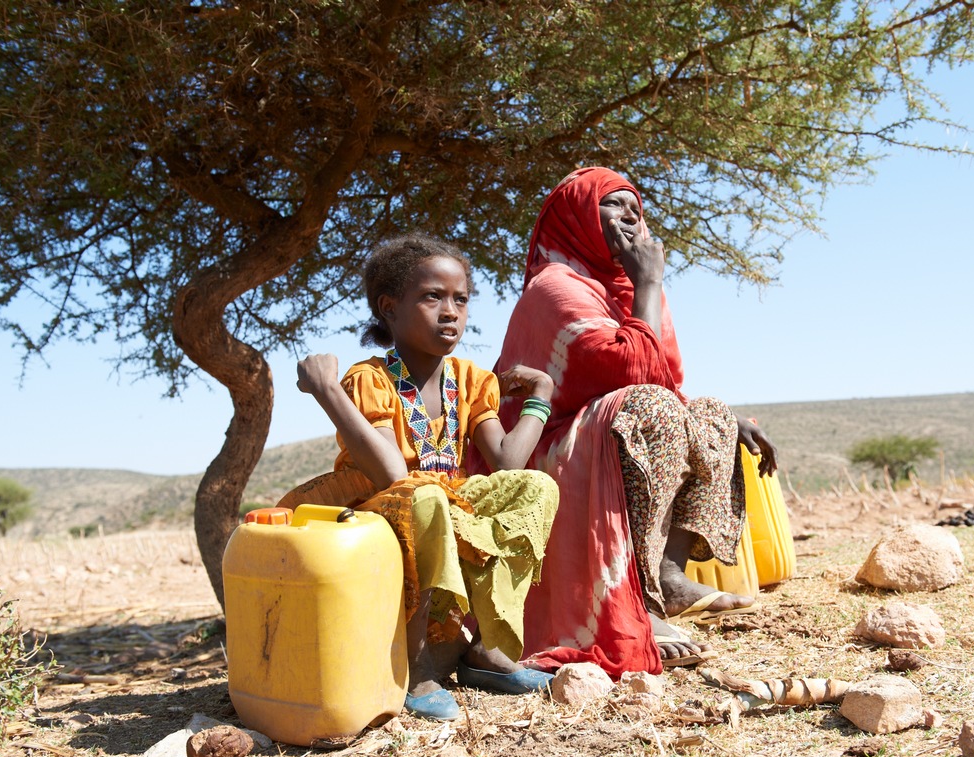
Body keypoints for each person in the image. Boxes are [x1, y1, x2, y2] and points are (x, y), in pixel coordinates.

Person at [478, 167, 778, 678]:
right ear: (577, 220)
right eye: (612, 205)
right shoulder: (552, 288)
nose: (631, 214)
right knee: (651, 409)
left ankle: (669, 575)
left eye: (635, 205)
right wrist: (651, 281)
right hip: (550, 448)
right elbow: (629, 370)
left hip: (611, 431)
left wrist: (724, 421)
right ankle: (638, 601)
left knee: (707, 411)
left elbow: (665, 376)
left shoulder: (626, 288)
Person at [279, 233, 559, 722]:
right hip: (376, 504)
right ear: (389, 308)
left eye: (460, 299)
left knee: (536, 488)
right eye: (432, 296)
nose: (450, 311)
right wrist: (328, 392)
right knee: (424, 495)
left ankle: (485, 647)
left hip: (439, 498)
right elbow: (389, 473)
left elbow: (509, 462)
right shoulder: (370, 380)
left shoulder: (473, 381)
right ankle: (415, 662)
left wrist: (542, 393)